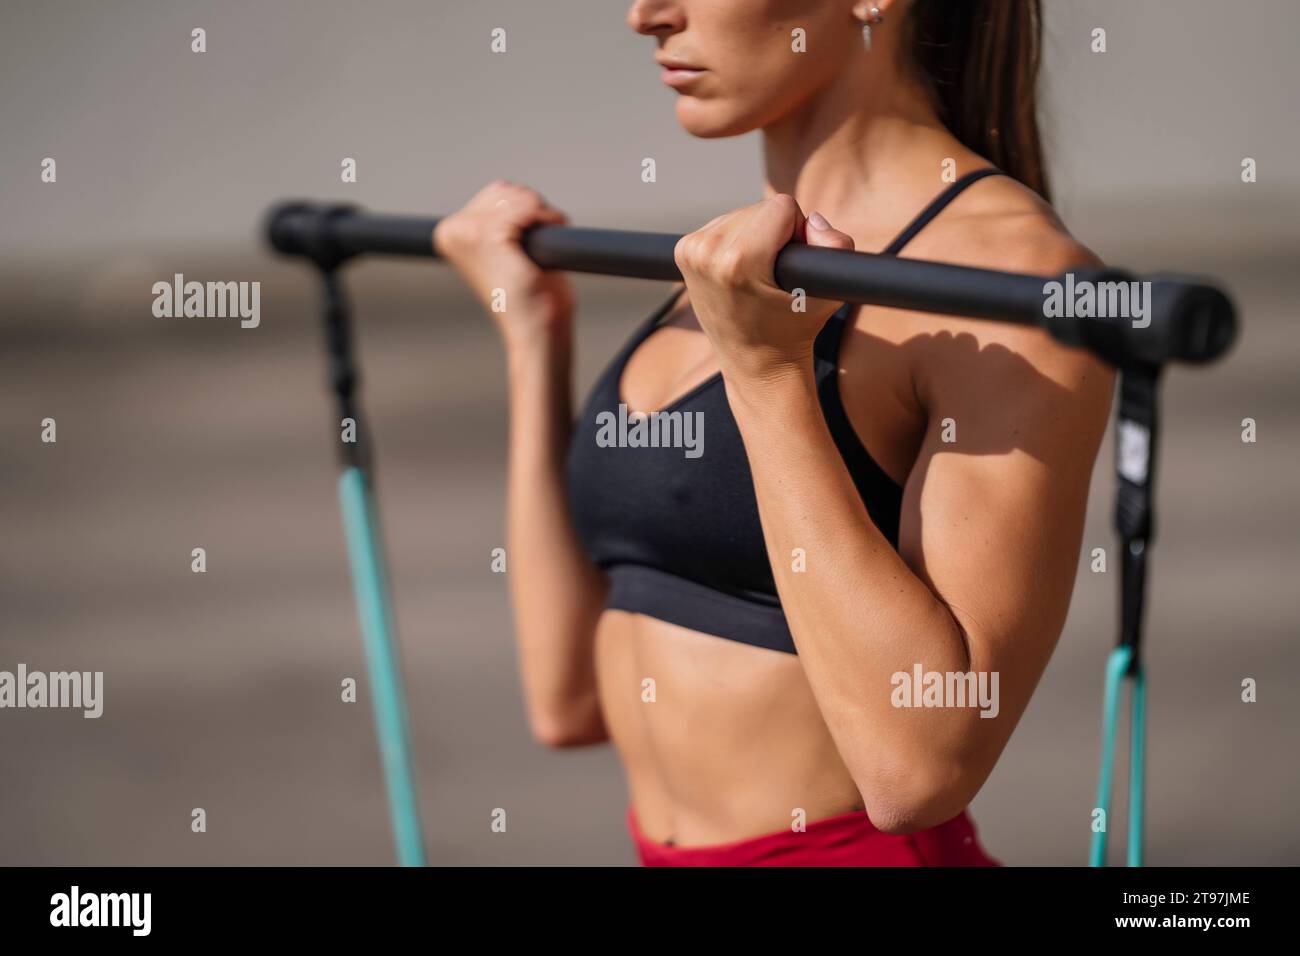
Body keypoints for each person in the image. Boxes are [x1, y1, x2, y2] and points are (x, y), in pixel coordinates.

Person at [433, 0, 1114, 866]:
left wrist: (766, 375)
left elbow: (920, 770)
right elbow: (565, 700)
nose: (645, 15)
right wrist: (532, 337)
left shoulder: (1014, 282)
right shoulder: (733, 272)